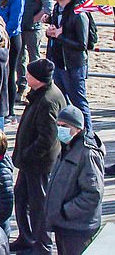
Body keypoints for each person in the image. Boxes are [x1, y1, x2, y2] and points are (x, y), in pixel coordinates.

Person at [12, 58, 65, 255]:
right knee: (22, 197)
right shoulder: (41, 95)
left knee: (38, 205)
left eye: (29, 74)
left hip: (39, 164)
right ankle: (27, 238)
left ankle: (42, 245)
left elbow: (47, 138)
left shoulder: (48, 101)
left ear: (39, 79)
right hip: (30, 162)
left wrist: (27, 154)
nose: (26, 76)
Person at [46, 105, 104, 255]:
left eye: (64, 126)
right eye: (58, 125)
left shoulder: (87, 153)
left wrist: (66, 211)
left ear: (78, 128)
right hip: (64, 224)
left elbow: (93, 194)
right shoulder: (67, 146)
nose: (60, 130)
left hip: (78, 227)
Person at [46, 0, 92, 133]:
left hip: (73, 64)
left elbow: (82, 44)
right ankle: (67, 134)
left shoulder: (79, 13)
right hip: (58, 61)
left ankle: (88, 135)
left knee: (79, 101)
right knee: (61, 102)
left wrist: (60, 36)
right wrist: (51, 32)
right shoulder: (58, 9)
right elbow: (56, 32)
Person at [18, 0, 51, 102]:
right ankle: (21, 86)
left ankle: (35, 89)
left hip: (33, 29)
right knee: (19, 57)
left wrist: (34, 19)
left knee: (34, 57)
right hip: (19, 27)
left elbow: (48, 6)